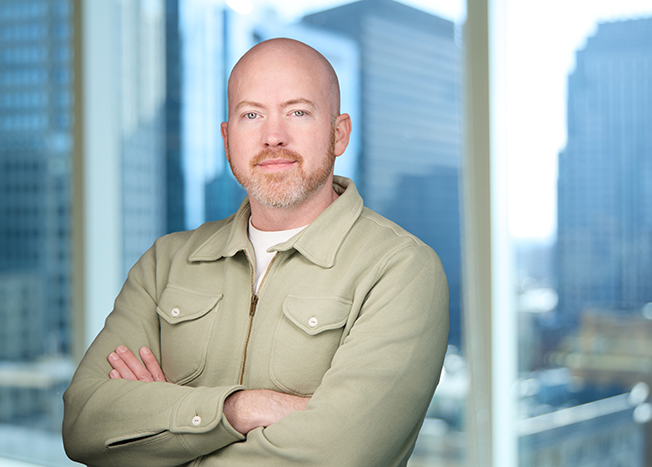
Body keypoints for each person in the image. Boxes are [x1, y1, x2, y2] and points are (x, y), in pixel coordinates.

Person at [63, 38, 449, 467]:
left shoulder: (400, 269)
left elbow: (338, 455)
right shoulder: (165, 263)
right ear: (228, 138)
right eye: (251, 115)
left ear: (339, 134)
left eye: (298, 112)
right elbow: (84, 423)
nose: (273, 137)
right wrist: (240, 409)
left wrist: (163, 435)